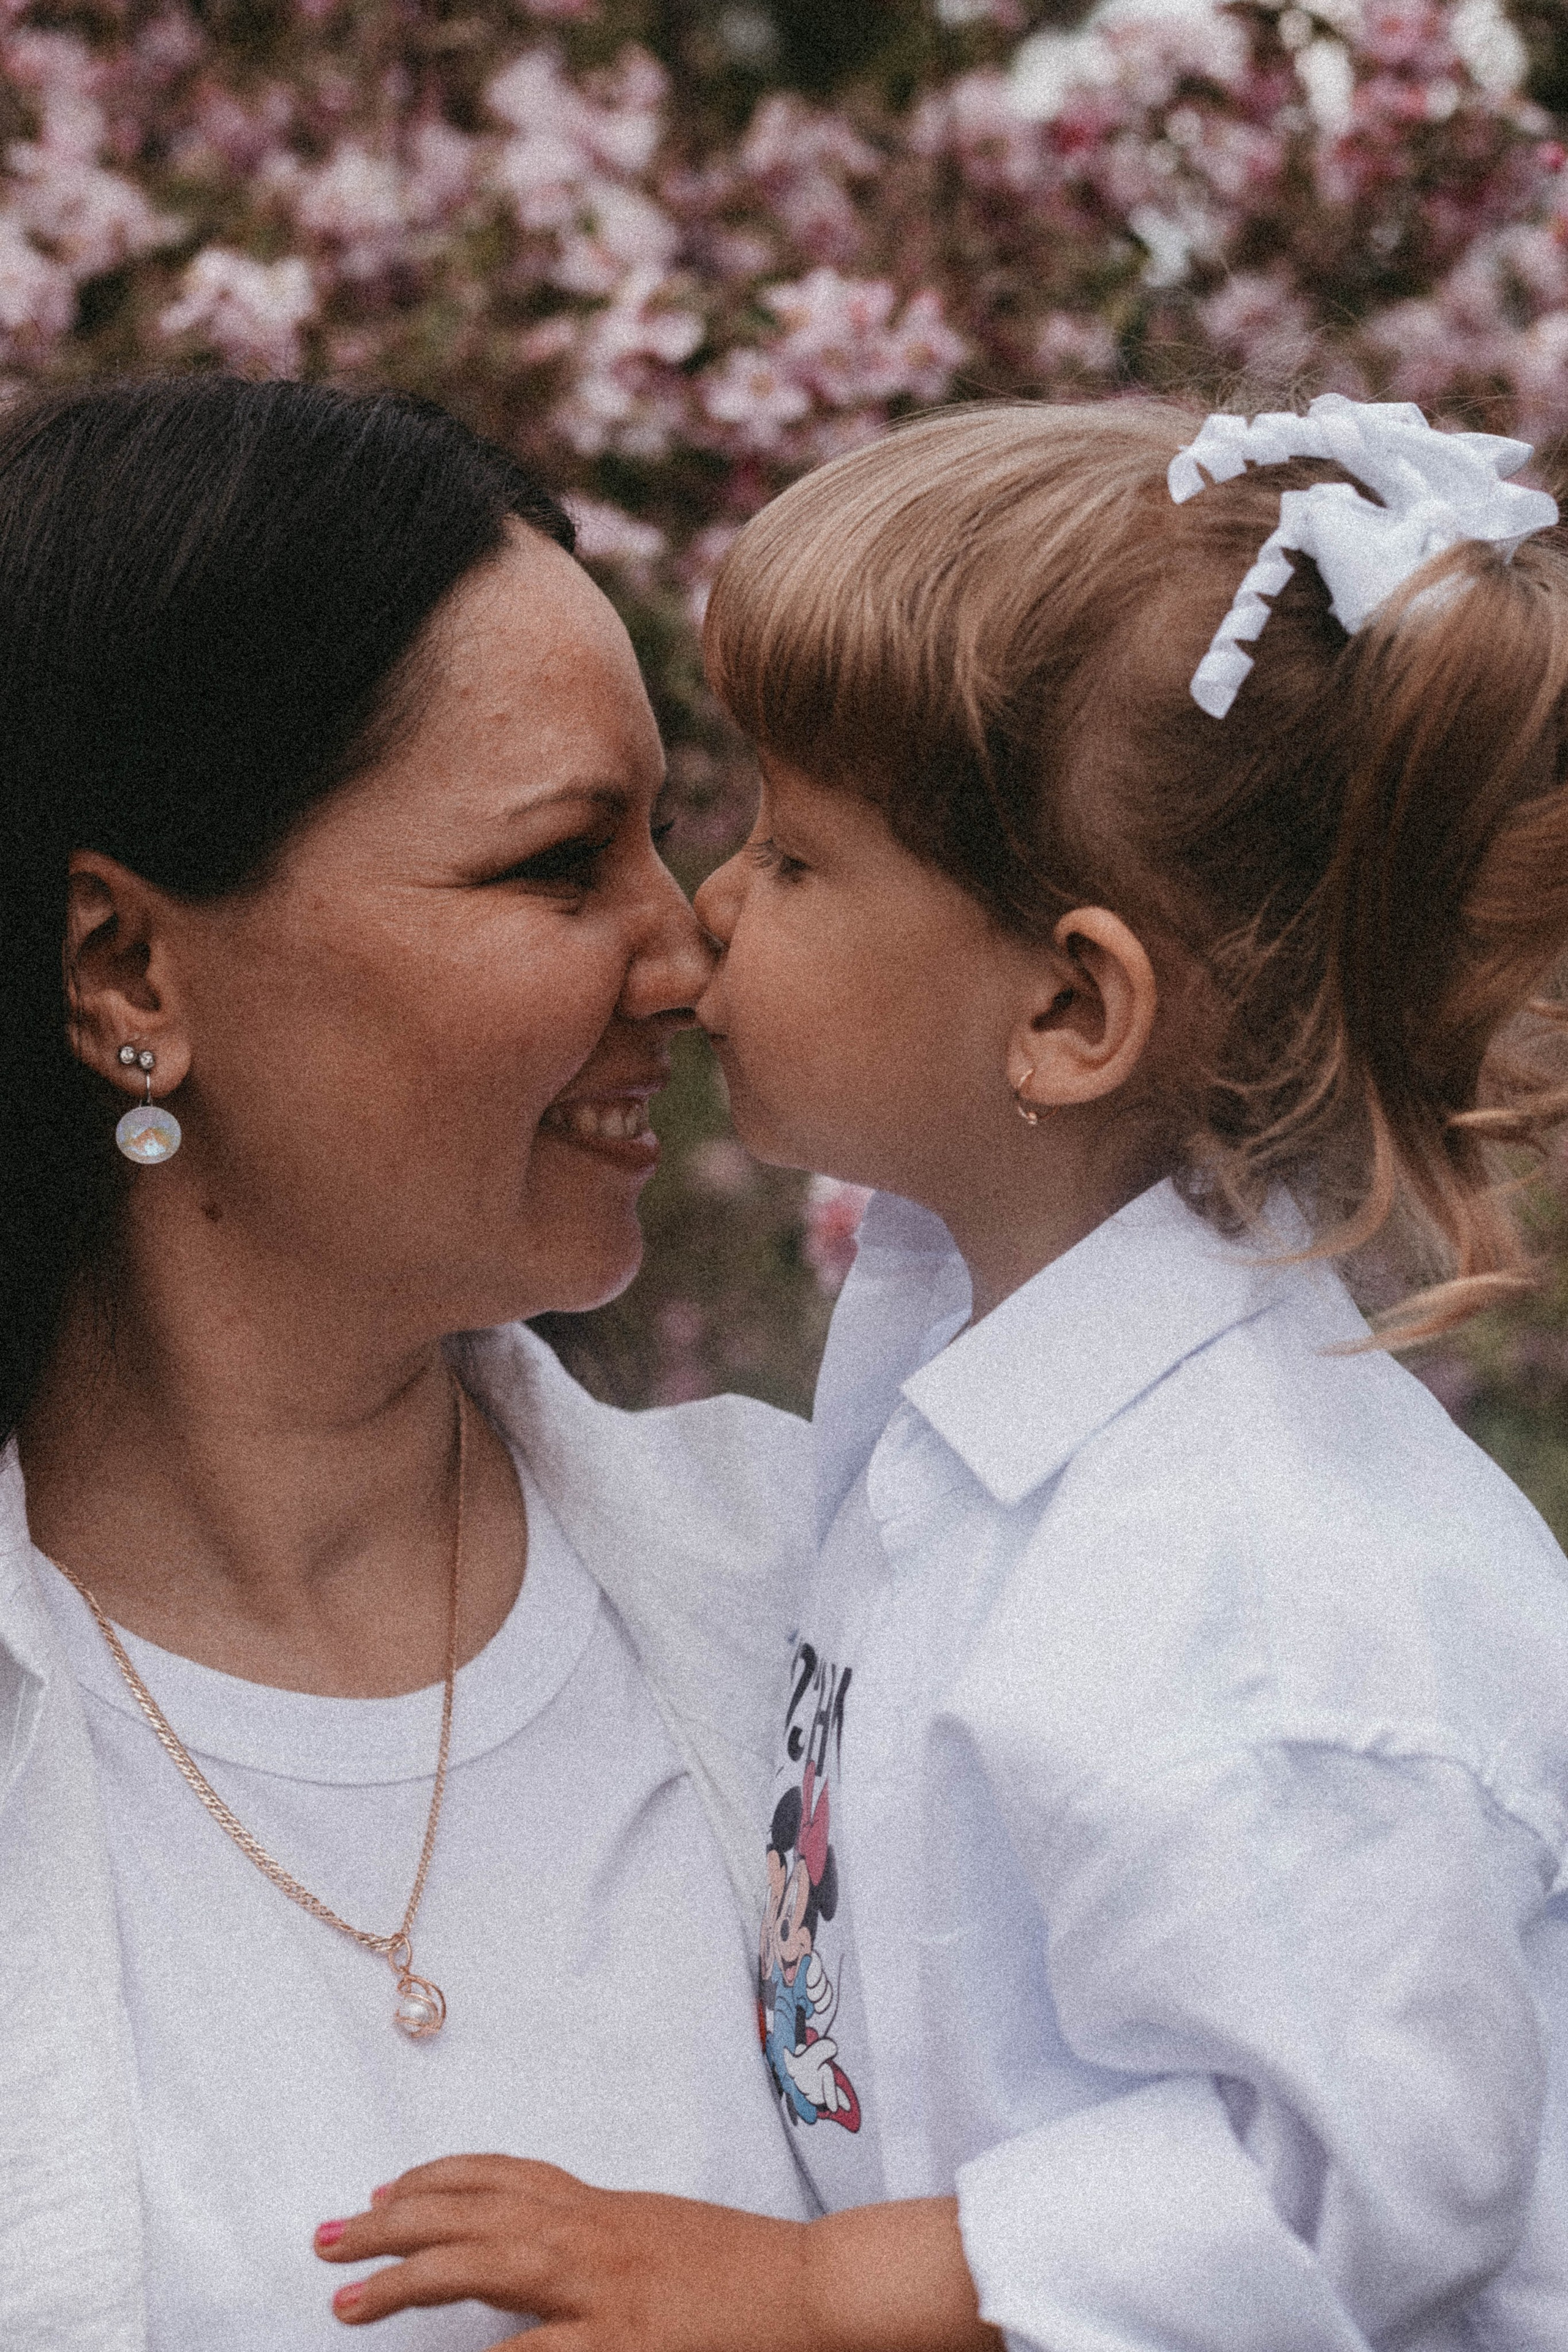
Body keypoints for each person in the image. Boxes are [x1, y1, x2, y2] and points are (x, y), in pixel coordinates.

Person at [318, 395, 1568, 2350]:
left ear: (1069, 1007)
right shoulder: (1000, 1391)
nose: (705, 909)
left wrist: (816, 2288)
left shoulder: (1247, 1590)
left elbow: (1349, 2181)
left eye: (800, 856)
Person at [0, 372, 819, 2352]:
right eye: (556, 866)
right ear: (128, 971)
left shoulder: (822, 1585)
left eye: (663, 842)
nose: (683, 956)